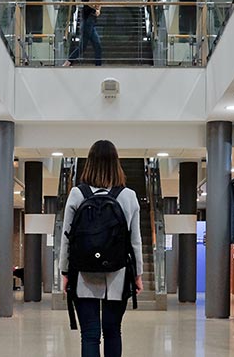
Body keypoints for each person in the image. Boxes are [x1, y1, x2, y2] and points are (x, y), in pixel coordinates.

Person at [59, 140, 143, 357]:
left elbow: (66, 237)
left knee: (89, 334)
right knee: (113, 332)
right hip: (118, 273)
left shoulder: (78, 194)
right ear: (116, 163)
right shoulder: (128, 196)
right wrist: (138, 275)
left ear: (90, 163)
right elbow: (135, 241)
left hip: (83, 274)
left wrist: (65, 272)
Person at [63, 0, 102, 66]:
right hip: (88, 22)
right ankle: (68, 61)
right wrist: (95, 9)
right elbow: (86, 6)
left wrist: (96, 9)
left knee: (97, 44)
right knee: (83, 46)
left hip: (91, 22)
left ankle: (98, 65)